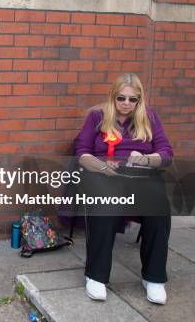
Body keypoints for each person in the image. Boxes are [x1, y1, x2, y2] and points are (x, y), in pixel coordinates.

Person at [75, 73, 173, 304]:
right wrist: (100, 166)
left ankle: (154, 277)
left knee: (159, 208)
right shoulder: (97, 116)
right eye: (121, 98)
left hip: (140, 176)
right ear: (113, 97)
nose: (127, 104)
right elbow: (81, 152)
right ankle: (96, 276)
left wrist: (147, 160)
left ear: (139, 101)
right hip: (104, 176)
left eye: (133, 99)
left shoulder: (149, 117)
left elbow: (166, 153)